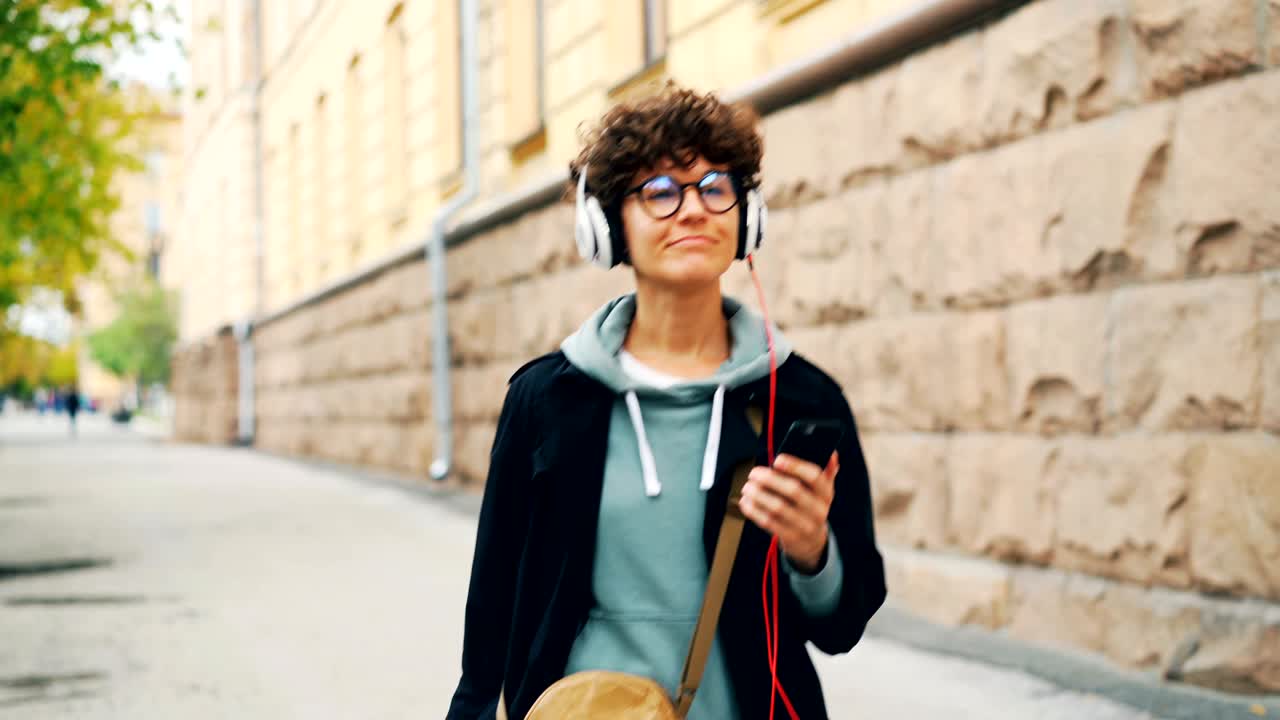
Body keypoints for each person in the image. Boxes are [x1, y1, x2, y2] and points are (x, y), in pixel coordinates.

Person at [446, 83, 886, 720]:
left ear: (747, 216)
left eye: (715, 187)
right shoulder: (547, 399)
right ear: (607, 227)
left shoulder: (799, 396)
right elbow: (491, 619)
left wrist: (812, 551)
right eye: (658, 192)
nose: (692, 210)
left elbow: (842, 625)